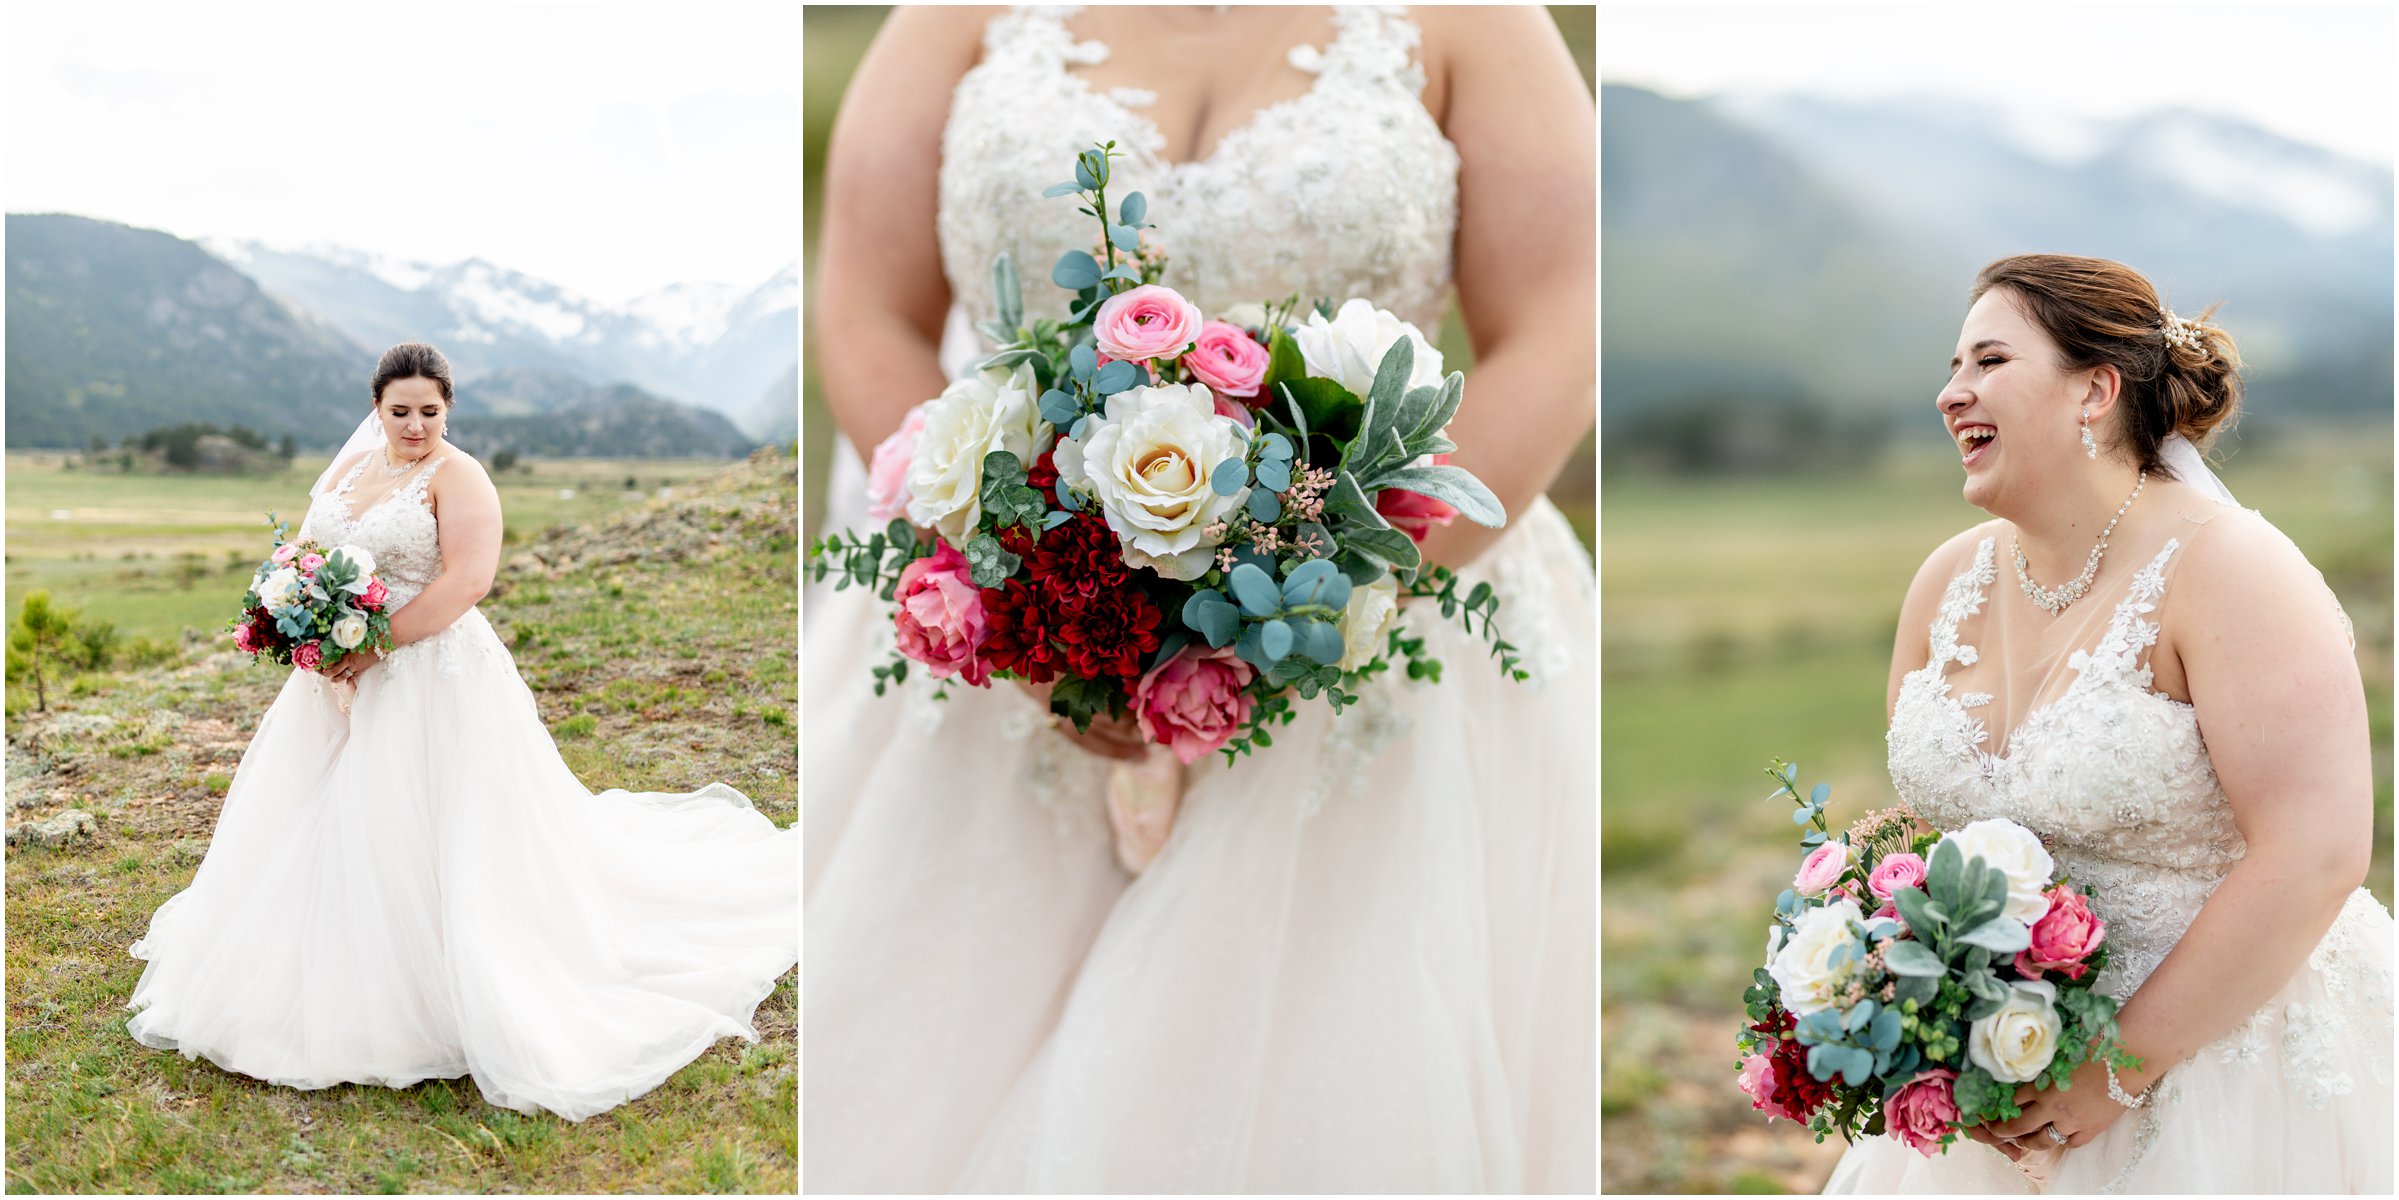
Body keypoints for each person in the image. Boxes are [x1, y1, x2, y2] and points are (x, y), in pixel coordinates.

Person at [805, 5, 1594, 1192]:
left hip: (1378, 622)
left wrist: (1318, 591)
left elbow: (1555, 327)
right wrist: (1019, 601)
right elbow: (870, 308)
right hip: (1008, 617)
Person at [1825, 255, 2393, 1192]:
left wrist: (2116, 1069)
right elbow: (1927, 846)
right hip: (2003, 1069)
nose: (1948, 393)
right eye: (1952, 366)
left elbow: (2317, 852)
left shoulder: (2230, 568)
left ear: (2093, 389)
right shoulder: (1944, 584)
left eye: (1987, 362)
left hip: (2225, 1062)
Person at [125, 343, 797, 1122]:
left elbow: (468, 580)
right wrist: (301, 620)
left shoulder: (459, 476)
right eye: (399, 411)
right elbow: (305, 553)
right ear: (376, 407)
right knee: (321, 818)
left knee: (429, 820)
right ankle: (323, 969)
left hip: (429, 671)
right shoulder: (347, 473)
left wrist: (375, 645)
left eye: (429, 411)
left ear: (449, 407)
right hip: (335, 675)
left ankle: (439, 980)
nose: (414, 425)